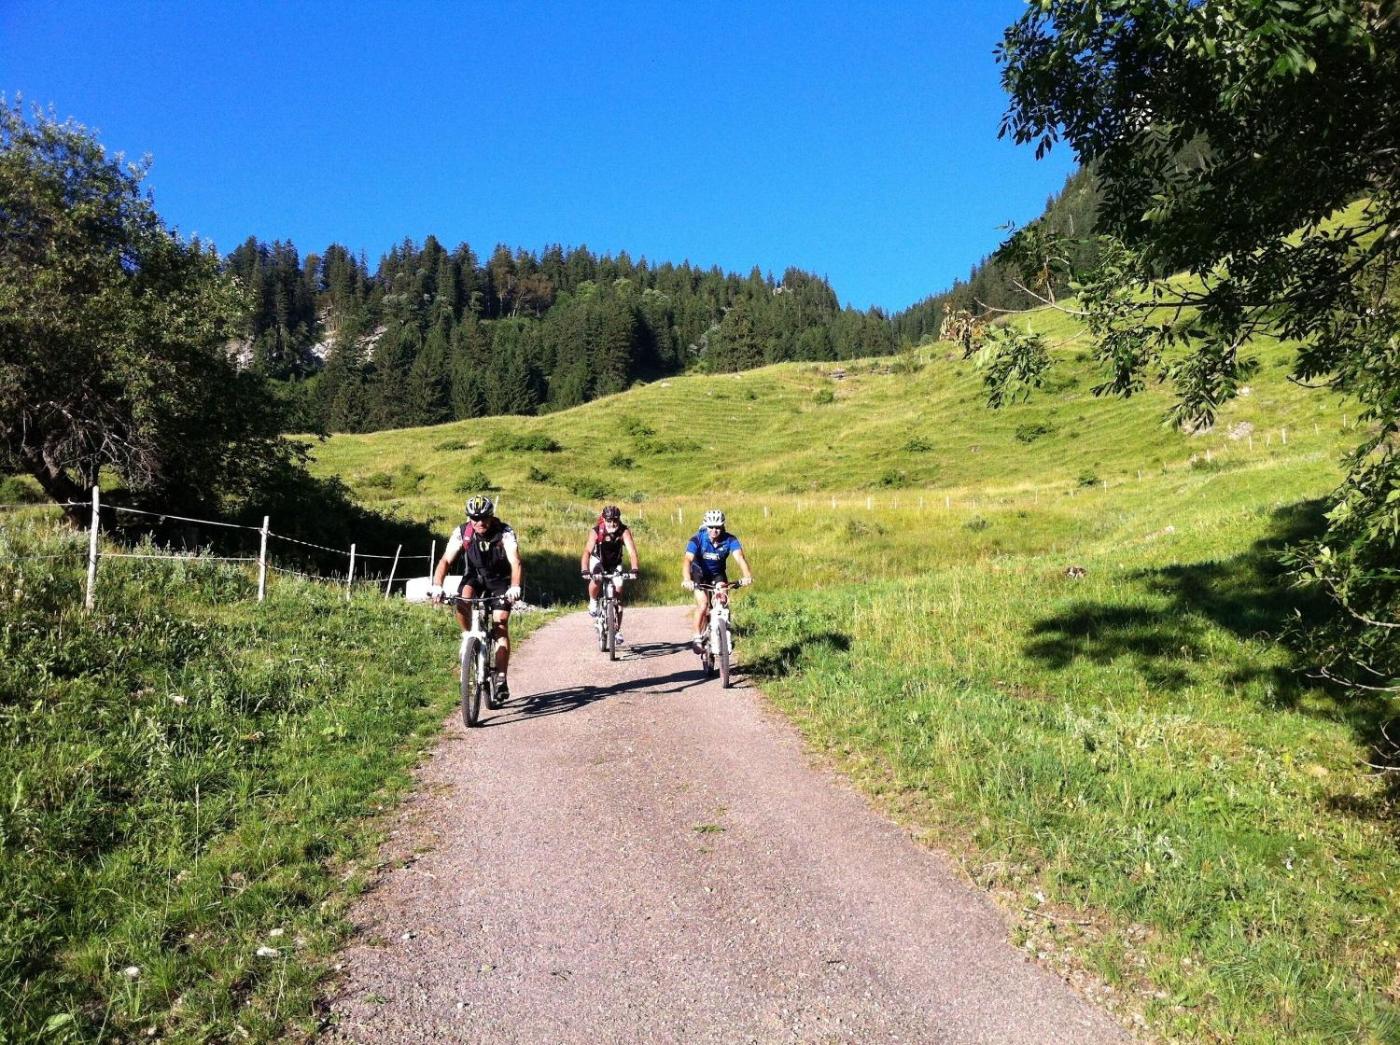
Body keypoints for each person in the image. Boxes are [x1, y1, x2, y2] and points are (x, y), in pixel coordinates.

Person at [429, 495, 523, 701]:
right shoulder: (462, 532)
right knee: (462, 601)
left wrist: (515, 586)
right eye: (475, 518)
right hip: (474, 577)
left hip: (499, 580)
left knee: (500, 623)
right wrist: (437, 585)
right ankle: (467, 636)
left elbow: (515, 562)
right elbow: (445, 561)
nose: (480, 522)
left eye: (484, 518)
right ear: (469, 517)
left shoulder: (505, 532)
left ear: (492, 516)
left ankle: (500, 677)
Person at [681, 508, 753, 654]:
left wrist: (747, 576)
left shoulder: (730, 540)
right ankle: (697, 637)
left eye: (718, 527)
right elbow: (687, 559)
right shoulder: (697, 539)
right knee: (703, 604)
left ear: (723, 526)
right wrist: (687, 579)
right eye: (711, 527)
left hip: (717, 575)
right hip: (699, 574)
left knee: (723, 602)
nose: (714, 530)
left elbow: (740, 558)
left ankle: (725, 631)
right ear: (706, 526)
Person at [581, 504, 641, 645]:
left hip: (615, 564)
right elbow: (587, 552)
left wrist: (634, 569)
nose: (612, 524)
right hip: (598, 561)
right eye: (609, 520)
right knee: (596, 578)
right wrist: (585, 570)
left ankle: (617, 630)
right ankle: (593, 601)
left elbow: (632, 552)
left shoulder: (623, 531)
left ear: (619, 519)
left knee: (618, 596)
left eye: (615, 520)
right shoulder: (596, 531)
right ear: (603, 519)